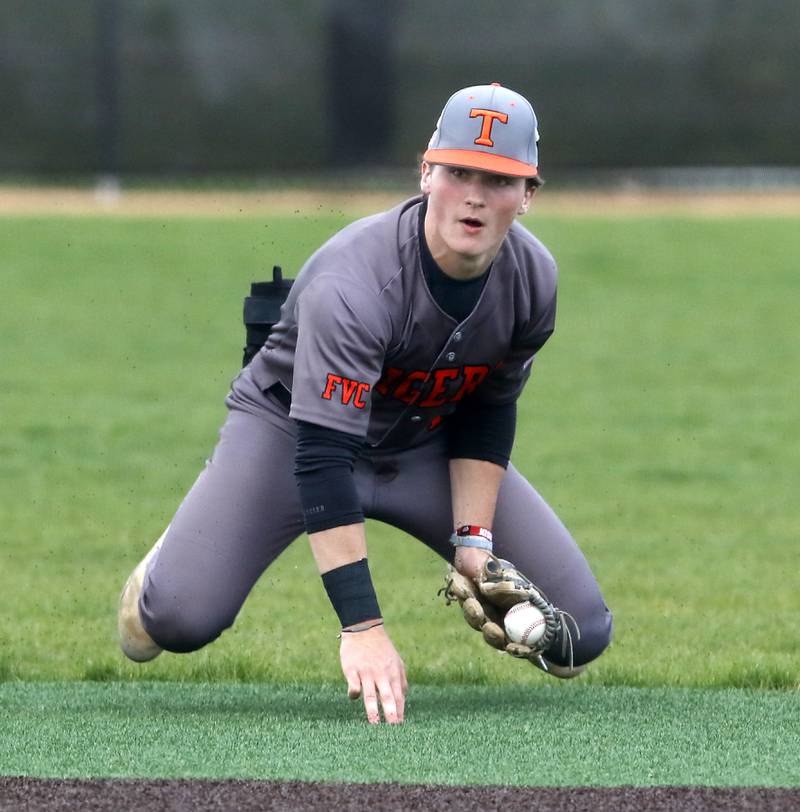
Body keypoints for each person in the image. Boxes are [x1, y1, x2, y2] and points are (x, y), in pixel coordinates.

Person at [118, 83, 613, 725]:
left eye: (498, 179)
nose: (474, 194)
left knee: (573, 637)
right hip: (291, 432)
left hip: (422, 446)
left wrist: (473, 543)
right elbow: (323, 455)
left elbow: (489, 408)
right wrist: (363, 625)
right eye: (458, 171)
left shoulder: (533, 278)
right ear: (425, 172)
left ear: (529, 196)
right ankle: (174, 551)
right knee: (176, 619)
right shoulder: (355, 285)